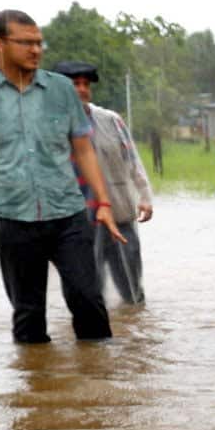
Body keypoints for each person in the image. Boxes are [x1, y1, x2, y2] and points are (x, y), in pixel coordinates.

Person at [0, 9, 124, 344]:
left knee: (89, 301)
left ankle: (101, 386)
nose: (36, 50)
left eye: (39, 43)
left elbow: (83, 149)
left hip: (67, 213)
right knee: (28, 313)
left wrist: (103, 202)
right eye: (25, 42)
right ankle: (36, 389)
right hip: (11, 215)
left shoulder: (61, 89)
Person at [53, 61, 154, 305]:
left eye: (86, 84)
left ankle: (133, 329)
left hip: (118, 212)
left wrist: (145, 196)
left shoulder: (110, 120)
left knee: (131, 285)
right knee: (88, 285)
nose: (82, 89)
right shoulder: (51, 125)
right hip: (77, 219)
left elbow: (132, 159)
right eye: (75, 84)